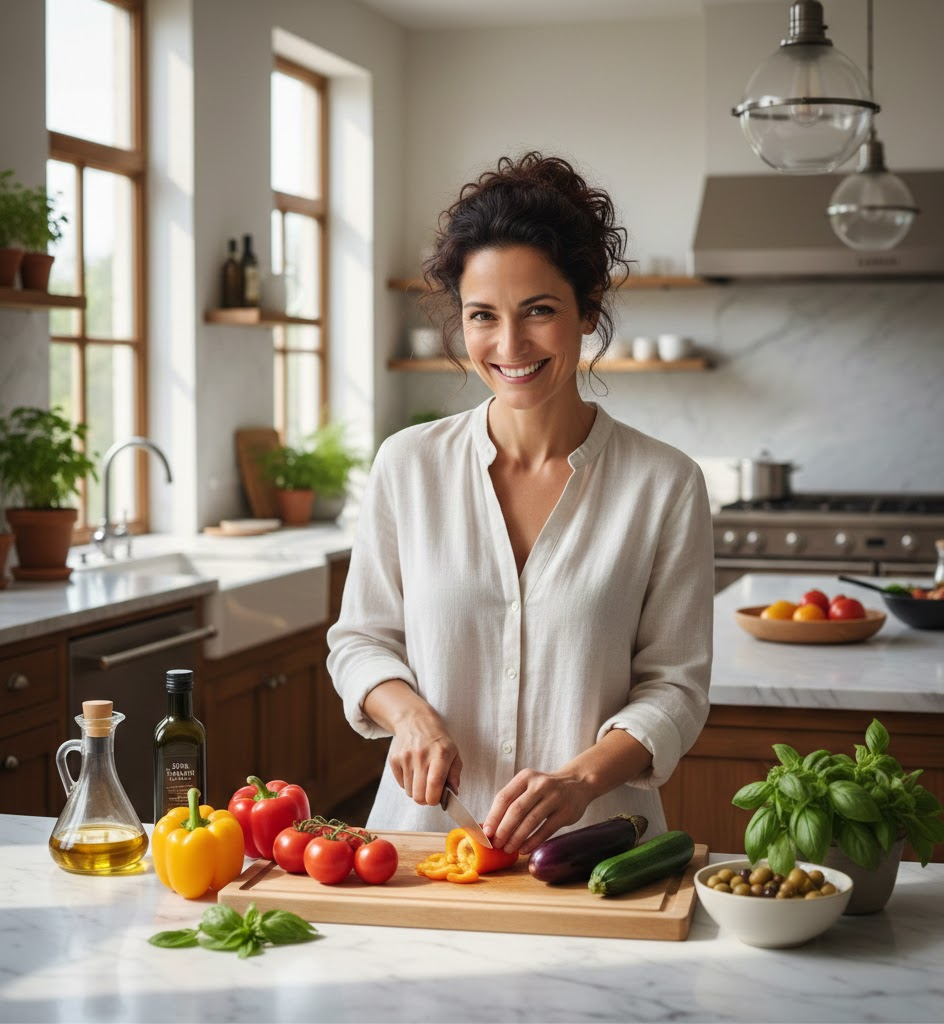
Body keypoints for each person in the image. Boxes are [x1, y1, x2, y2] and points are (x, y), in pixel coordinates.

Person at [326, 152, 714, 857]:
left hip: (593, 850)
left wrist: (579, 781)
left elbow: (676, 688)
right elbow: (360, 642)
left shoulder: (665, 484)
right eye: (483, 316)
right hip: (420, 850)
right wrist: (407, 714)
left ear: (587, 307)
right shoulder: (407, 466)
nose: (509, 346)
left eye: (538, 311)